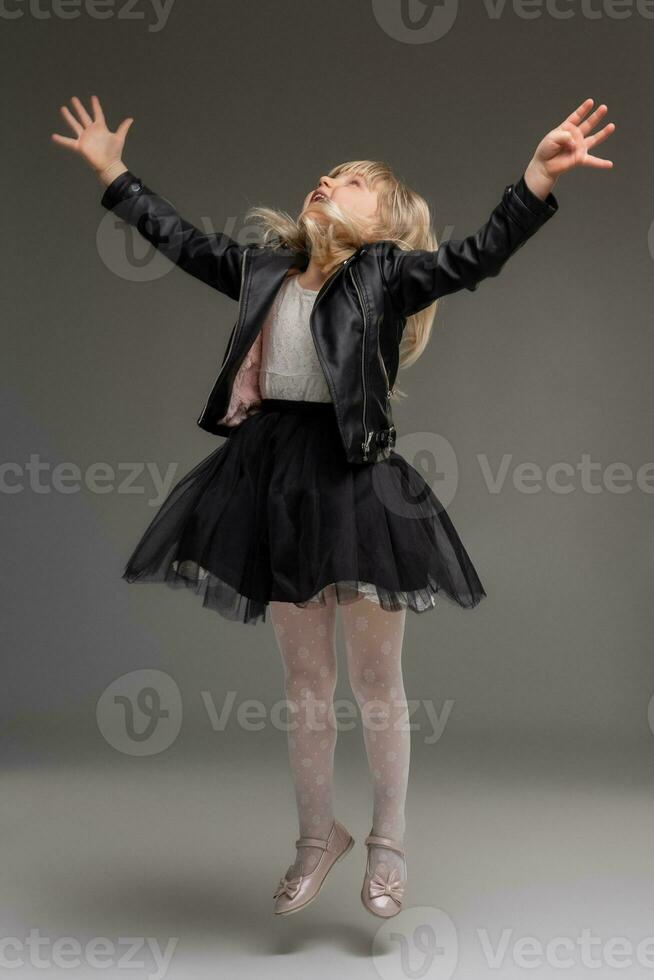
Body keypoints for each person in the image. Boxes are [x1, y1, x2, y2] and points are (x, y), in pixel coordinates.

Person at [51, 95, 614, 917]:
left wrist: (533, 179)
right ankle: (318, 836)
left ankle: (387, 842)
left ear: (384, 223)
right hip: (273, 481)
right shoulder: (263, 269)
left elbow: (475, 258)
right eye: (329, 174)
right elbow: (179, 241)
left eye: (352, 181)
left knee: (377, 682)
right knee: (305, 682)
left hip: (357, 483)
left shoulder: (388, 274)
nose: (329, 180)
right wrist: (114, 175)